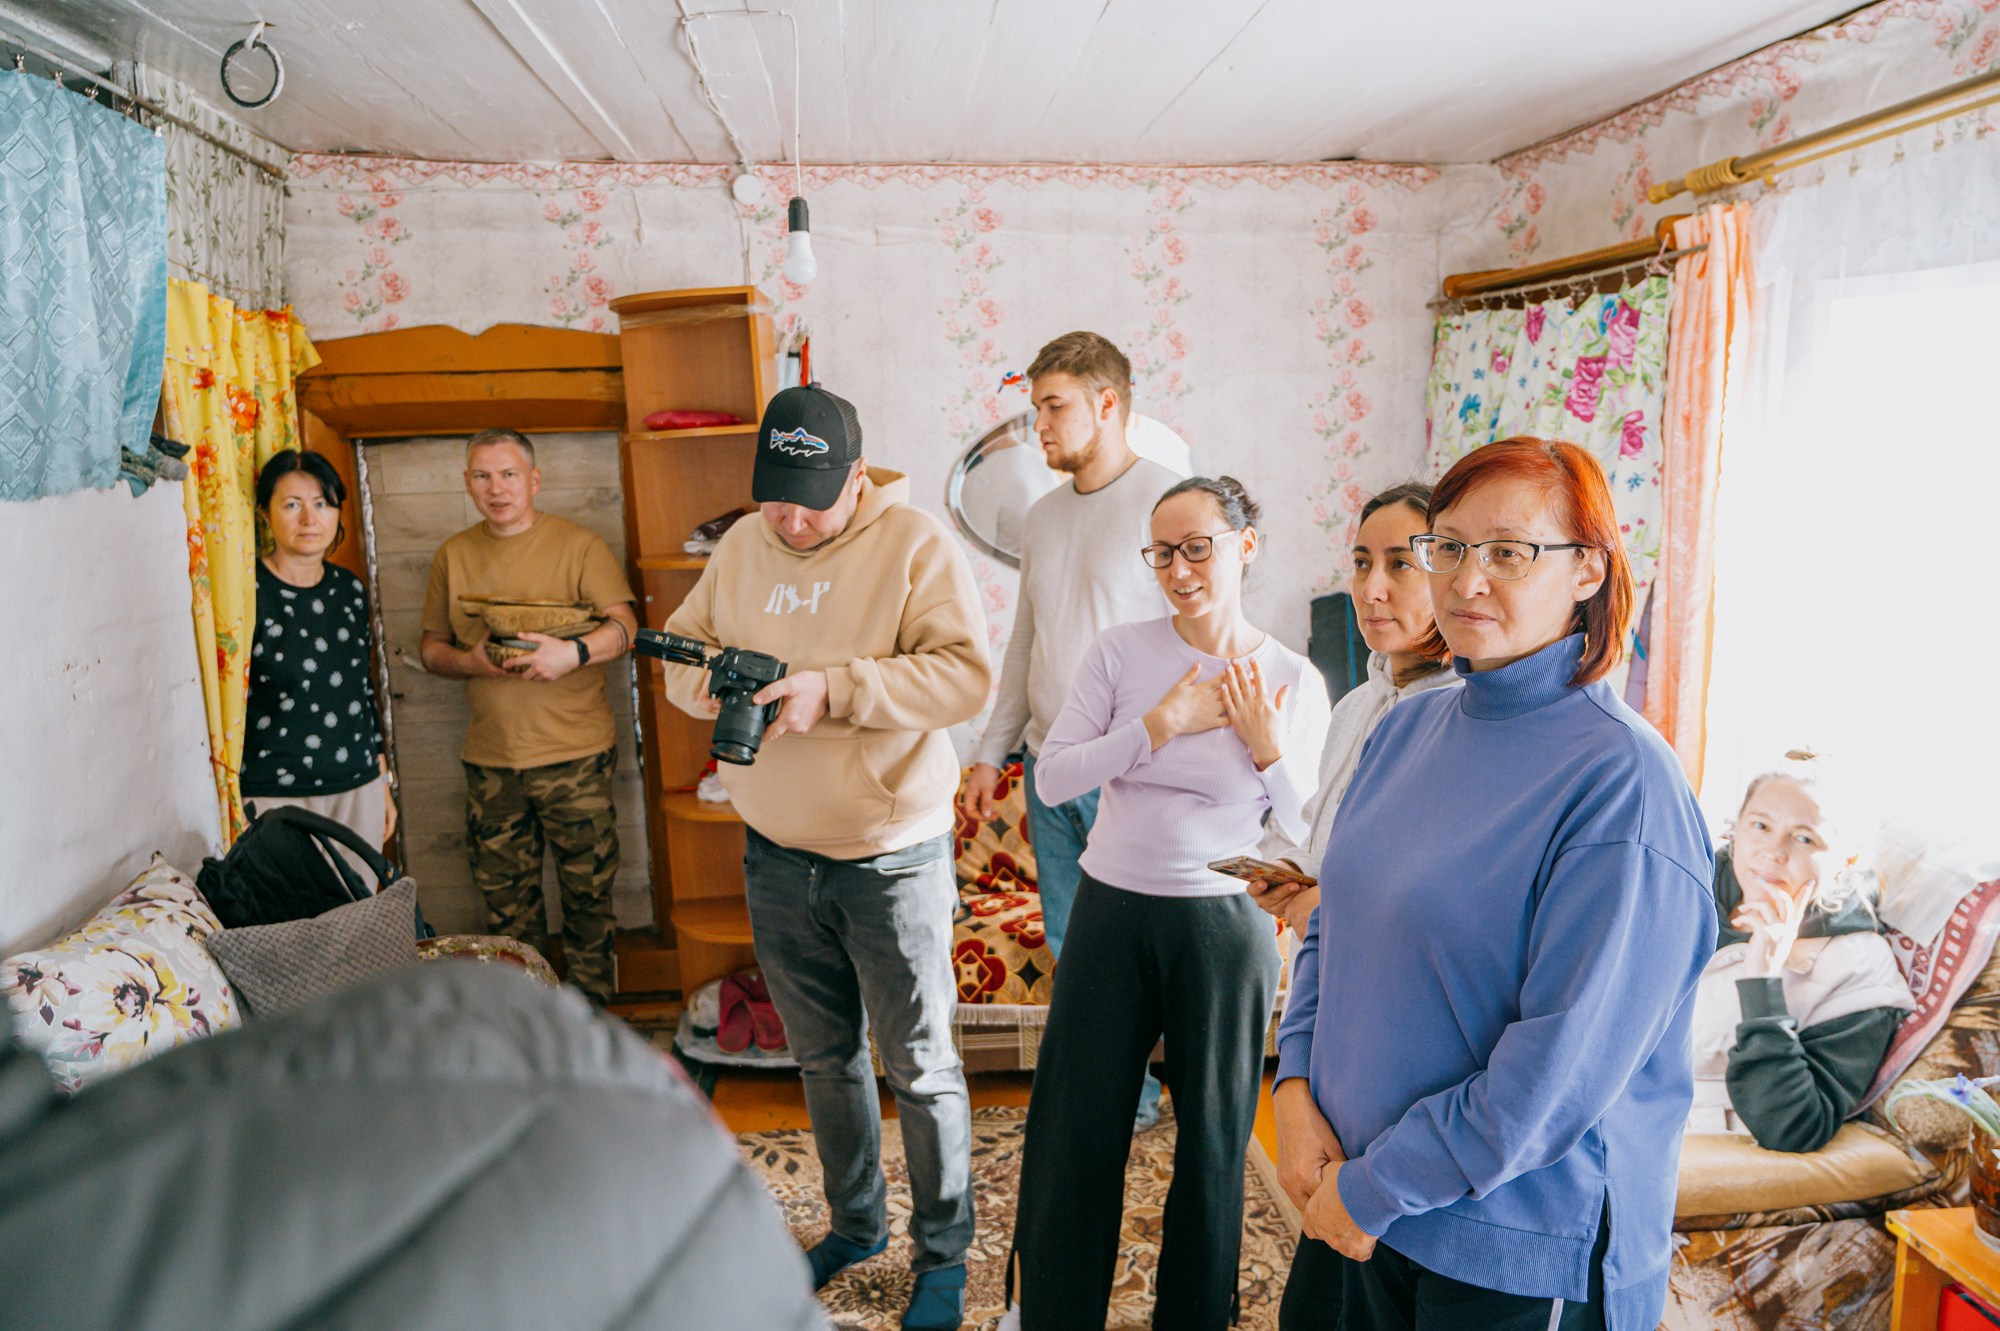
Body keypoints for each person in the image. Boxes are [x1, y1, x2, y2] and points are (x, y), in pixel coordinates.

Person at [1274, 437, 1715, 1331]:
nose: (1467, 580)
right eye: (1450, 545)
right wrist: (1292, 1088)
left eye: (1510, 551)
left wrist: (1373, 1188)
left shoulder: (1623, 783)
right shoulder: (1410, 725)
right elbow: (1336, 922)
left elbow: (1554, 1072)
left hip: (1509, 1242)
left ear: (1588, 568)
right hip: (1355, 1196)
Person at [656, 383, 991, 1331]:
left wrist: (835, 691)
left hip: (891, 857)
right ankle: (856, 1224)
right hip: (774, 853)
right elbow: (684, 647)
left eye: (810, 496)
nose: (790, 518)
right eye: (774, 494)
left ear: (857, 474)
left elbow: (965, 674)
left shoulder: (916, 542)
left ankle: (943, 1254)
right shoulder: (742, 545)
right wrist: (721, 683)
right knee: (824, 1058)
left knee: (920, 1067)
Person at [1010, 476, 1331, 1331]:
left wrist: (1267, 751)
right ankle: (1049, 1314)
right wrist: (1161, 722)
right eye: (1163, 552)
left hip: (1223, 927)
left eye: (1198, 547)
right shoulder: (1121, 653)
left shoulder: (1294, 678)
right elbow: (1056, 773)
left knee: (1215, 1140)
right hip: (1112, 909)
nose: (1179, 569)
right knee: (1077, 1131)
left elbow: (1311, 832)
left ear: (1244, 545)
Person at [960, 330, 1179, 1126]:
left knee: (1133, 949)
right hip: (1047, 766)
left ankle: (1143, 1093)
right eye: (1035, 408)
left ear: (1108, 403)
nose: (1040, 426)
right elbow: (1027, 640)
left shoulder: (1171, 501)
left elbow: (1200, 638)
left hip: (1132, 772)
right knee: (1072, 944)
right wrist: (989, 754)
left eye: (1054, 407)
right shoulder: (1044, 517)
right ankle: (1106, 1087)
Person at [418, 428, 639, 1008]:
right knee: (506, 907)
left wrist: (573, 653)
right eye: (483, 476)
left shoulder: (580, 546)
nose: (497, 488)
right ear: (468, 483)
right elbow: (431, 650)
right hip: (492, 761)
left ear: (534, 480)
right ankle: (528, 1022)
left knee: (589, 895)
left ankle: (595, 1021)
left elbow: (627, 627)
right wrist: (470, 661)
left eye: (509, 474)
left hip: (576, 754)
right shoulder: (454, 554)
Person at [1245, 481, 1457, 940]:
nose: (1370, 589)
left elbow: (1439, 880)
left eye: (1400, 564)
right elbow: (1327, 840)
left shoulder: (1464, 715)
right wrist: (1294, 870)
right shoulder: (1353, 708)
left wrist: (1331, 901)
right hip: (1323, 955)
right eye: (1362, 564)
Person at [1687, 751, 1912, 1150]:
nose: (1773, 851)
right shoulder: (1678, 888)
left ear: (1846, 860)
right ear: (1735, 830)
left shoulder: (1858, 966)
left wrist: (1762, 980)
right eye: (1760, 826)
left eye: (1804, 837)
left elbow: (1796, 1126)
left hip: (1701, 1142)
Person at [242, 449, 397, 861]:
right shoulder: (245, 593)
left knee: (359, 912)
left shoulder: (349, 590)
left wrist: (381, 779)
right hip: (274, 793)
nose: (310, 520)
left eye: (322, 505)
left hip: (357, 783)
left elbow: (362, 689)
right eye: (292, 505)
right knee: (291, 920)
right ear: (265, 513)